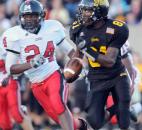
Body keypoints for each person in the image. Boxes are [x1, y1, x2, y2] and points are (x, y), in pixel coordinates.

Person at [4, 0, 87, 130]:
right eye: (26, 16)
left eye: (33, 15)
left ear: (42, 16)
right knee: (58, 118)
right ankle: (83, 126)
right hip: (35, 84)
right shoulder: (14, 36)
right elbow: (10, 69)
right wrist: (31, 64)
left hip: (53, 75)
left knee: (59, 106)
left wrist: (80, 56)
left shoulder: (52, 28)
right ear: (21, 17)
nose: (30, 19)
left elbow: (70, 52)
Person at [70, 0, 131, 130]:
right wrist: (70, 71)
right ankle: (116, 108)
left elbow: (110, 61)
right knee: (95, 122)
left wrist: (88, 49)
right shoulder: (78, 28)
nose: (84, 14)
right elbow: (78, 55)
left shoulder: (117, 28)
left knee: (124, 120)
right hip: (96, 77)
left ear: (100, 11)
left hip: (117, 74)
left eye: (88, 10)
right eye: (83, 10)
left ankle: (122, 107)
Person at [0, 41, 34, 130]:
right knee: (4, 122)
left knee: (17, 114)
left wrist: (9, 75)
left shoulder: (3, 45)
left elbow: (16, 64)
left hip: (8, 83)